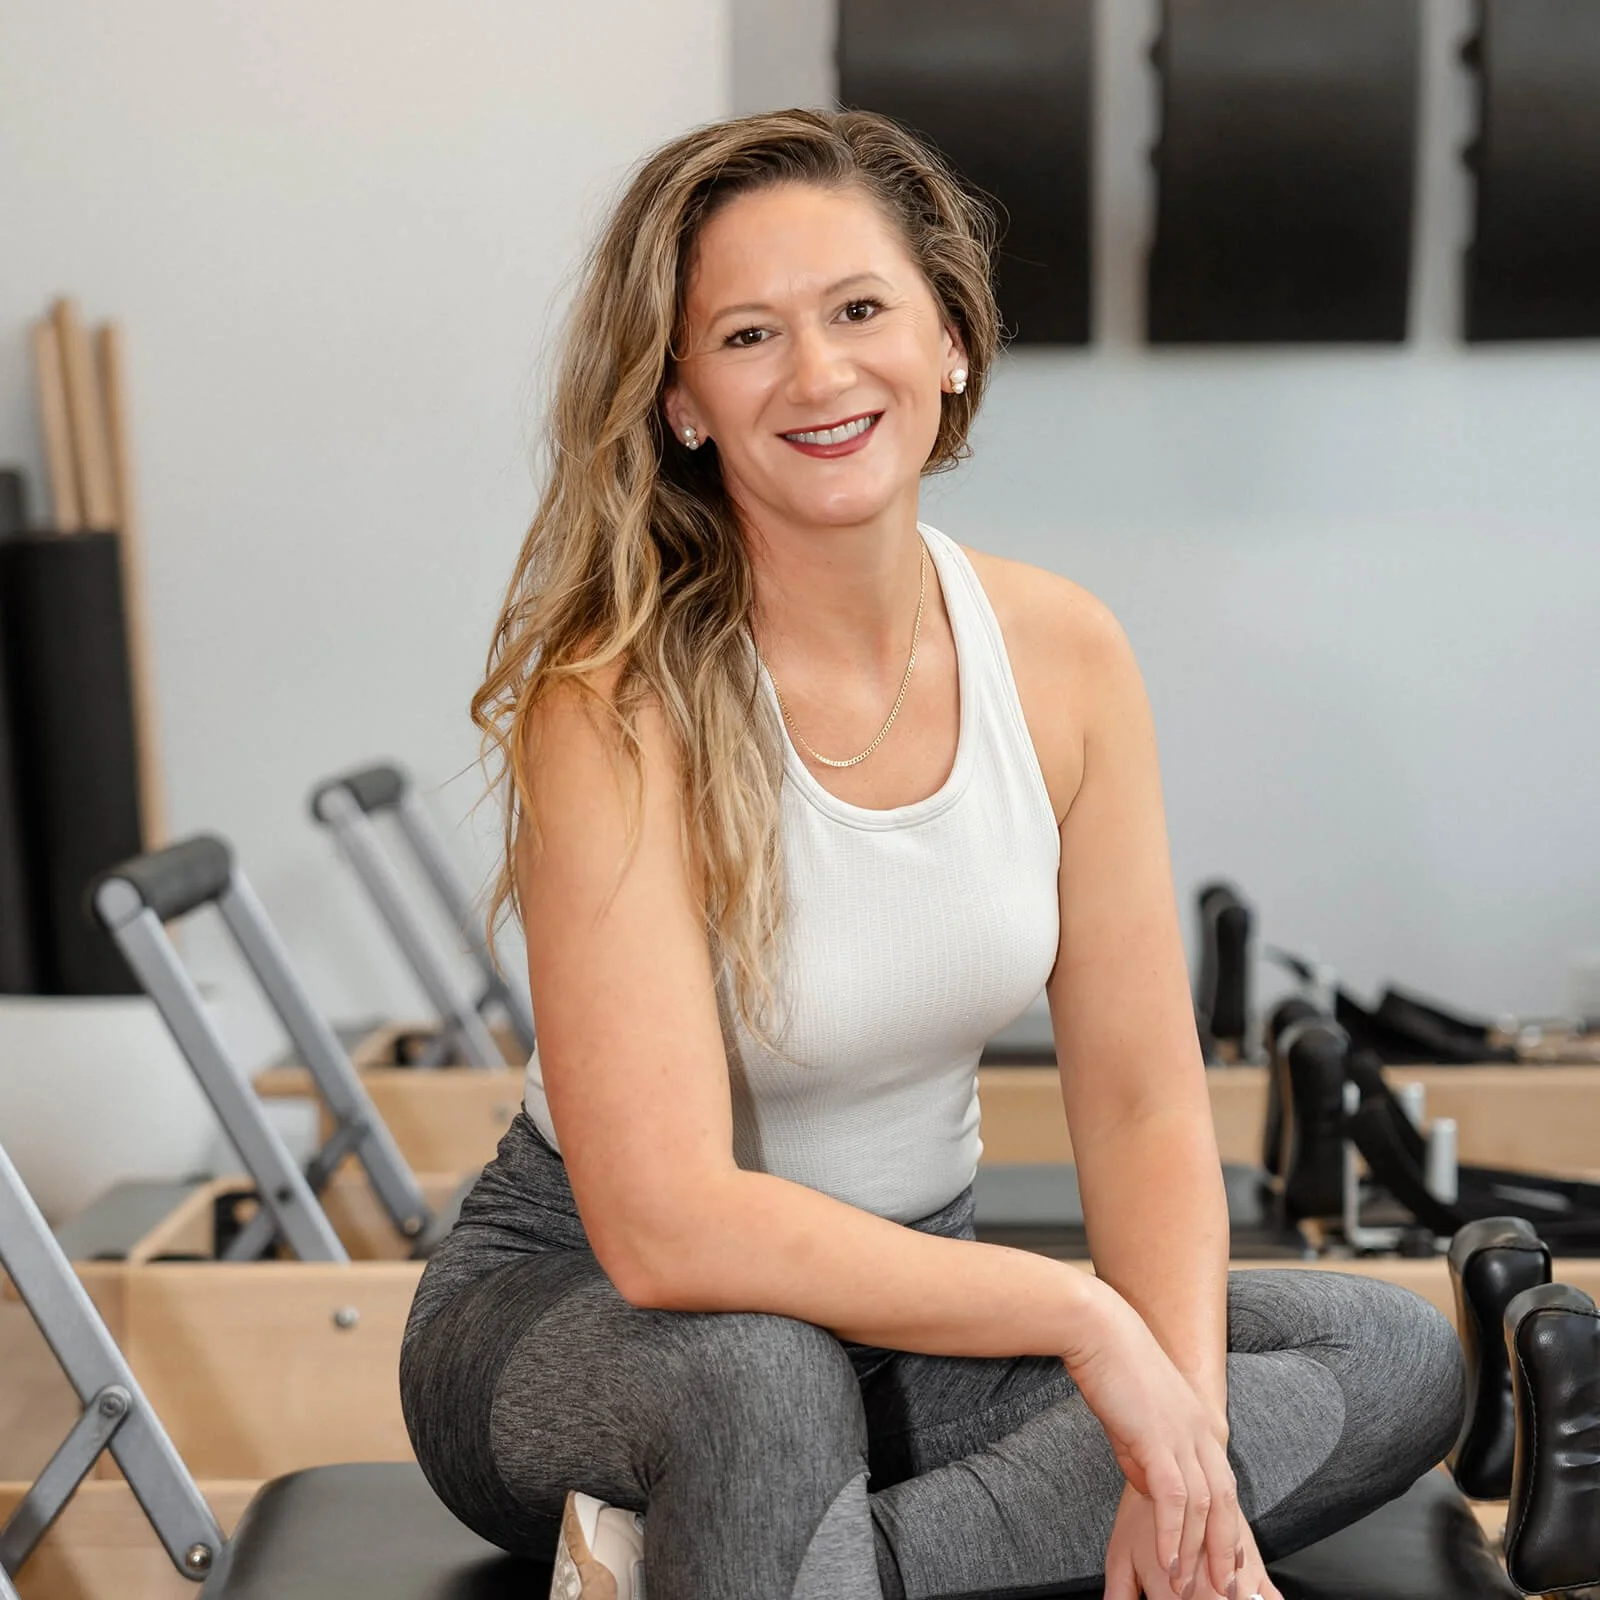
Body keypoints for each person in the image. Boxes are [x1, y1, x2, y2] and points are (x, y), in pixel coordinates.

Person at [399, 108, 1464, 1600]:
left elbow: (1148, 1095)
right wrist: (1094, 1328)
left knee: (1387, 1352)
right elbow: (665, 1228)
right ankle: (768, 1524)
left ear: (951, 339)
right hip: (584, 1318)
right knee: (760, 1385)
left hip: (910, 1319)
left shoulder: (1064, 656)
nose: (821, 374)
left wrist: (1182, 1444)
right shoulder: (617, 703)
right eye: (750, 335)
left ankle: (746, 1565)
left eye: (858, 310)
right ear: (683, 398)